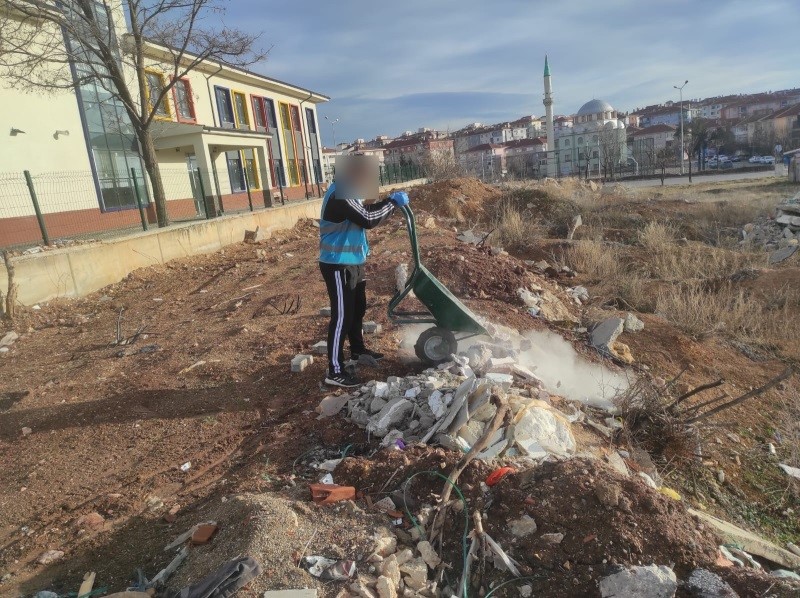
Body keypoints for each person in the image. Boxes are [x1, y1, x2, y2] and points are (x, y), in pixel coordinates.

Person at [319, 159, 409, 388]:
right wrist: (391, 203)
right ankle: (334, 370)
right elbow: (368, 219)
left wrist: (386, 203)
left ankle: (357, 350)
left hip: (354, 262)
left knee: (358, 308)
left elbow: (364, 211)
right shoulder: (341, 193)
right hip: (338, 264)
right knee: (341, 317)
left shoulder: (349, 192)